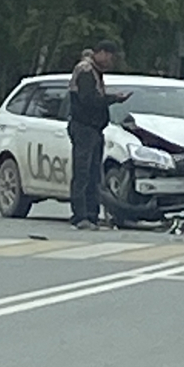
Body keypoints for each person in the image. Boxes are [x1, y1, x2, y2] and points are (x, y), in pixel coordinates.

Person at [68, 41, 131, 230]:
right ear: (101, 53)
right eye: (110, 56)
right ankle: (81, 216)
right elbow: (89, 100)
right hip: (84, 128)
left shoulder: (94, 71)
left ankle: (91, 215)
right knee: (83, 173)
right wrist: (113, 99)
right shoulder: (86, 71)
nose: (111, 61)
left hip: (93, 129)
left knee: (94, 173)